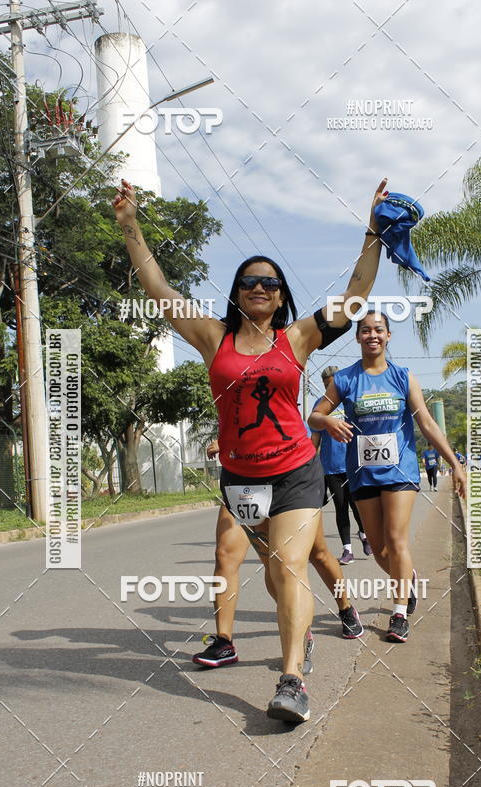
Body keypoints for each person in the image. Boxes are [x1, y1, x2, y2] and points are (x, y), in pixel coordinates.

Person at [113, 177, 387, 723]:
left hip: (296, 471)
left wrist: (373, 231)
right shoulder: (212, 337)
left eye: (269, 282)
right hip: (240, 479)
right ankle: (300, 630)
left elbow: (355, 294)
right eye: (247, 282)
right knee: (273, 571)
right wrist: (130, 226)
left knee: (289, 565)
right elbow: (159, 289)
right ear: (237, 293)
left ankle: (293, 682)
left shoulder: (297, 338)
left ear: (281, 296)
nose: (258, 287)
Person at [309, 311, 467, 644]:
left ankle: (399, 613)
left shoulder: (403, 377)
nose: (372, 335)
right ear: (357, 337)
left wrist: (454, 463)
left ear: (388, 335)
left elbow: (426, 423)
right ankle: (407, 577)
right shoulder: (345, 379)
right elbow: (314, 416)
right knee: (380, 549)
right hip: (362, 474)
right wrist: (329, 421)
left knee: (396, 541)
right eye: (365, 330)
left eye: (378, 330)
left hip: (400, 471)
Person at [191, 441, 364, 673]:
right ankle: (225, 641)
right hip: (242, 479)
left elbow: (304, 431)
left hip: (290, 476)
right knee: (227, 555)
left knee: (318, 554)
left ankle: (345, 607)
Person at [311, 366, 371, 564]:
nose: (329, 389)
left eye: (332, 384)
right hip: (331, 467)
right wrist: (310, 465)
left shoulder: (352, 401)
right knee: (341, 507)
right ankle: (347, 550)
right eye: (326, 385)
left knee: (357, 505)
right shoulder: (319, 407)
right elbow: (315, 439)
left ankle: (364, 534)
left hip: (354, 464)